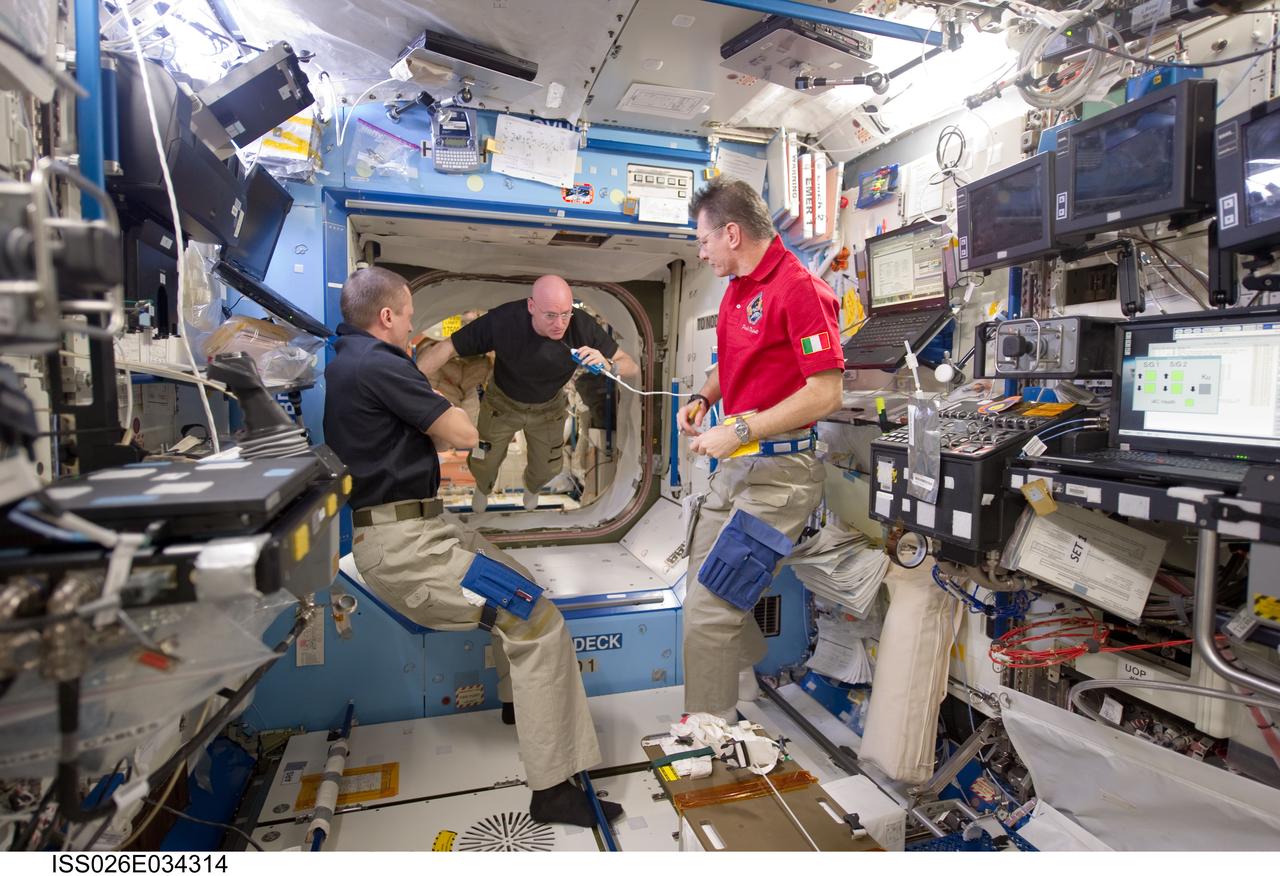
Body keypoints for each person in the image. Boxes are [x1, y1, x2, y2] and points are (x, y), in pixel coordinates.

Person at [323, 266, 621, 827]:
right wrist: (446, 405)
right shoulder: (379, 364)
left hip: (425, 530)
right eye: (411, 315)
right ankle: (553, 789)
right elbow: (461, 433)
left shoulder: (352, 361)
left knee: (522, 587)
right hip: (409, 550)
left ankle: (521, 706)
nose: (415, 326)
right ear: (386, 317)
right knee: (538, 619)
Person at [676, 178, 845, 720]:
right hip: (735, 472)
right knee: (704, 593)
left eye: (703, 241)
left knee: (708, 614)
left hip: (781, 478)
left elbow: (826, 392)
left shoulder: (800, 289)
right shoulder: (739, 289)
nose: (700, 253)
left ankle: (707, 738)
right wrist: (705, 398)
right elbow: (732, 364)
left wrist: (742, 429)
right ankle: (739, 670)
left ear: (731, 233)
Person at [416, 275, 639, 511]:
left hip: (548, 407)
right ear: (531, 306)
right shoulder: (504, 320)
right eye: (551, 315)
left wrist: (607, 363)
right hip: (502, 404)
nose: (560, 324)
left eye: (565, 314)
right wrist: (408, 384)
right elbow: (446, 347)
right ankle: (482, 487)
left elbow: (631, 366)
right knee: (484, 459)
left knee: (547, 467)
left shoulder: (581, 325)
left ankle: (532, 488)